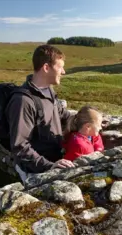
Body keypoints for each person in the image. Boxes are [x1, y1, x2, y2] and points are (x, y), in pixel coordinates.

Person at [5, 44, 76, 181]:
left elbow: (62, 114)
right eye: (60, 67)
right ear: (46, 68)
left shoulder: (48, 90)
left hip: (53, 162)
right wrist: (49, 166)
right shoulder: (23, 101)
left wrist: (88, 120)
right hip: (35, 172)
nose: (63, 72)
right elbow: (20, 147)